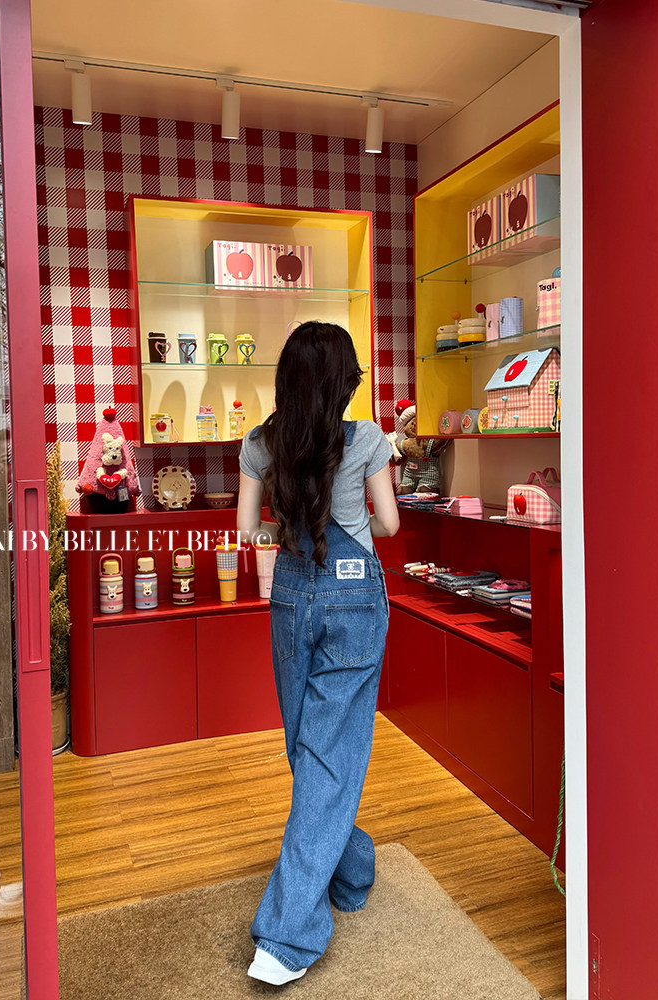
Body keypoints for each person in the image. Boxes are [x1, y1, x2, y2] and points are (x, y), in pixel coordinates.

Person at [236, 321, 400, 985]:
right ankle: (350, 867)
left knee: (313, 750)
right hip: (357, 595)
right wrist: (359, 511)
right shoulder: (368, 440)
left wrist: (285, 526)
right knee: (323, 756)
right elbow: (389, 523)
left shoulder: (260, 443)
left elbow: (246, 530)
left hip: (291, 595)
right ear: (344, 384)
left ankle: (287, 932)